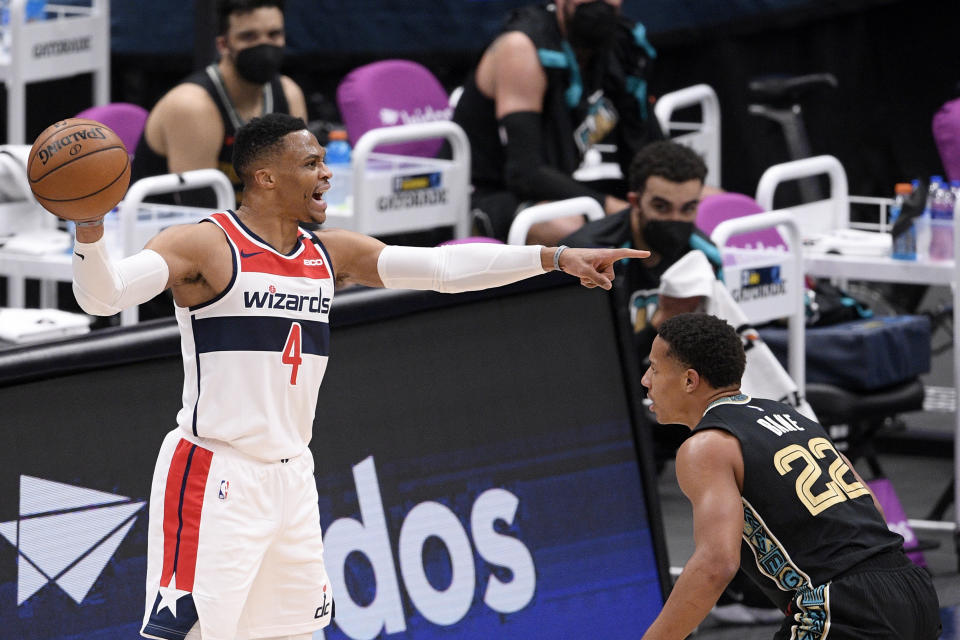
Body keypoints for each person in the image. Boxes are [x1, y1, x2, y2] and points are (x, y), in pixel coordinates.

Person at [69, 113, 647, 640]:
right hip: (215, 475)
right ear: (265, 178)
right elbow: (104, 295)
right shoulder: (206, 244)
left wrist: (550, 258)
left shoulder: (329, 254)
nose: (327, 175)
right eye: (312, 164)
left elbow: (443, 268)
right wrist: (90, 228)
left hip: (291, 477)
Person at [639, 312, 941, 640]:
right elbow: (873, 509)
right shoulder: (790, 415)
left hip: (841, 606)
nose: (645, 379)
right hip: (912, 589)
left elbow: (716, 564)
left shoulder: (705, 446)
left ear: (689, 380)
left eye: (654, 368)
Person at [452, 0, 663, 244]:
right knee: (572, 226)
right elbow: (524, 172)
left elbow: (645, 147)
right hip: (487, 193)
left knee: (694, 201)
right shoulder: (522, 47)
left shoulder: (621, 44)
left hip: (552, 185)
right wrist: (611, 207)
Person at [131, 0, 308, 206]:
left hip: (250, 228)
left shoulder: (289, 94)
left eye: (274, 35)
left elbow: (299, 194)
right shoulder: (192, 106)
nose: (264, 46)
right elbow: (200, 212)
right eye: (249, 36)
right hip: (163, 231)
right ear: (223, 44)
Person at [562, 140, 720, 360]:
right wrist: (662, 323)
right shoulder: (590, 258)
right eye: (661, 207)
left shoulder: (706, 256)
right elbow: (588, 359)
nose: (675, 221)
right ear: (635, 201)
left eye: (688, 208)